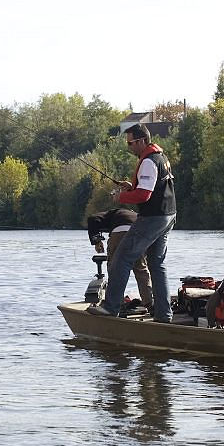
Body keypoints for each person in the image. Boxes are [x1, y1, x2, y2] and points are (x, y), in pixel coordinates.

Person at [88, 124, 177, 322]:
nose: (129, 147)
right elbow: (154, 187)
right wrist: (131, 186)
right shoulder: (160, 157)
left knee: (122, 258)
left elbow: (144, 195)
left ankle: (110, 308)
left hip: (153, 217)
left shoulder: (148, 161)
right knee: (156, 264)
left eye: (131, 143)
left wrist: (122, 196)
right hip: (168, 215)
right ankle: (164, 315)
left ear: (142, 141)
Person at [86, 208, 153, 309]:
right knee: (141, 269)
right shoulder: (137, 215)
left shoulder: (113, 213)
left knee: (114, 269)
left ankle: (117, 303)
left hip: (119, 233)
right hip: (139, 233)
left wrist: (97, 241)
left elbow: (92, 219)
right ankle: (149, 302)